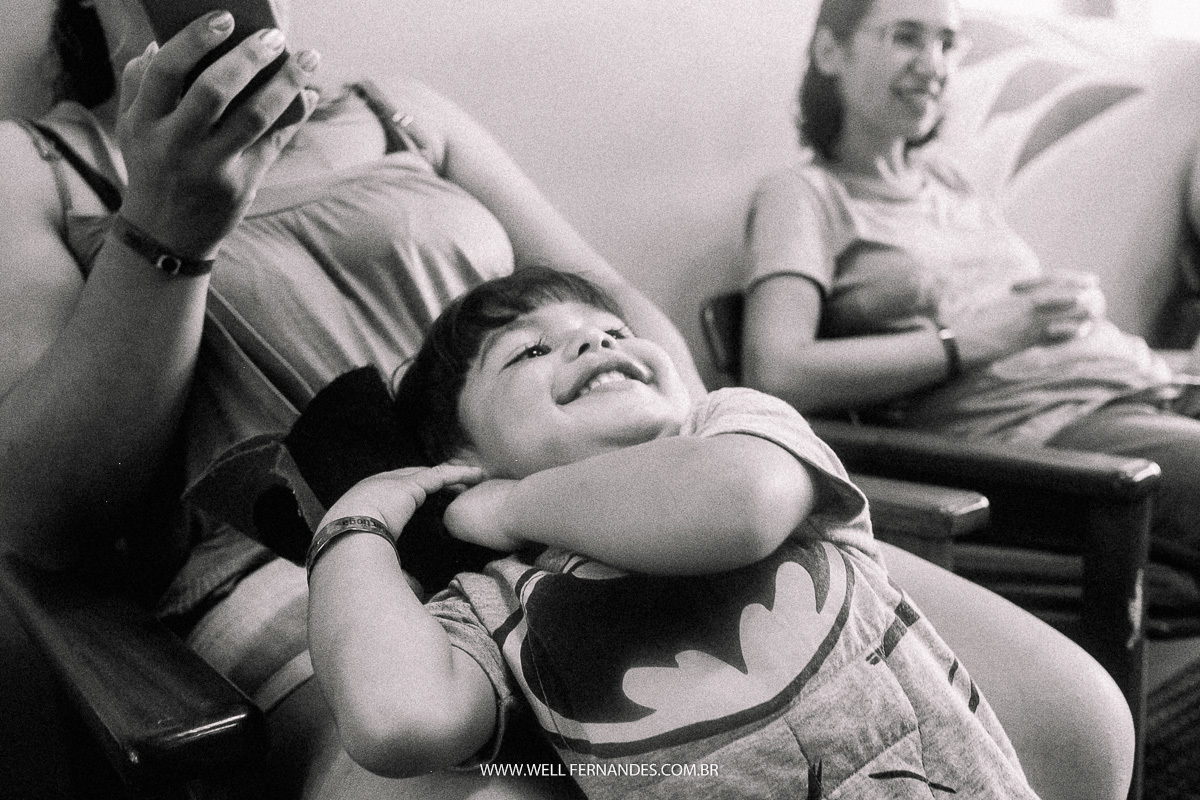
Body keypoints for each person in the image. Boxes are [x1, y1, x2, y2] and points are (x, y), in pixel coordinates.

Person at [0, 1, 698, 798]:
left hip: (554, 497)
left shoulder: (400, 112)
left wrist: (709, 435)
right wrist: (167, 229)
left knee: (786, 672)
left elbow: (603, 295)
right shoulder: (36, 164)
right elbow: (41, 517)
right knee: (498, 786)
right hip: (299, 571)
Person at [307, 267, 1043, 799]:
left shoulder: (740, 428)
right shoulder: (495, 607)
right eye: (530, 351)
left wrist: (510, 505)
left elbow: (741, 504)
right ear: (461, 461)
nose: (594, 345)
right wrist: (356, 526)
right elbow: (398, 721)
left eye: (612, 332)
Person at [741, 0, 1200, 579]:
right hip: (1047, 438)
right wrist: (969, 339)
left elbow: (1010, 309)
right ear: (831, 51)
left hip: (1140, 387)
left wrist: (1067, 309)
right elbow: (775, 370)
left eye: (947, 43)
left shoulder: (947, 183)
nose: (934, 65)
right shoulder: (805, 195)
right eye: (907, 37)